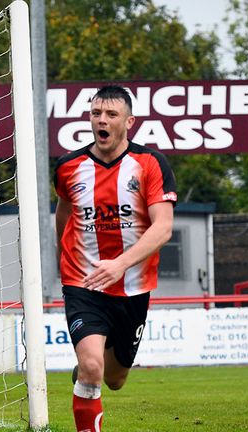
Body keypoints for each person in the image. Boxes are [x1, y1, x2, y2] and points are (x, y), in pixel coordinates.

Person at [53, 85, 177, 431]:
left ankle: (90, 368)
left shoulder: (150, 164)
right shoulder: (68, 166)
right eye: (96, 114)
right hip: (83, 283)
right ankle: (87, 370)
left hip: (133, 287)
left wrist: (120, 264)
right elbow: (64, 214)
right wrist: (63, 257)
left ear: (129, 121)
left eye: (111, 115)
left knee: (115, 379)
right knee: (93, 369)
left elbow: (163, 228)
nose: (101, 121)